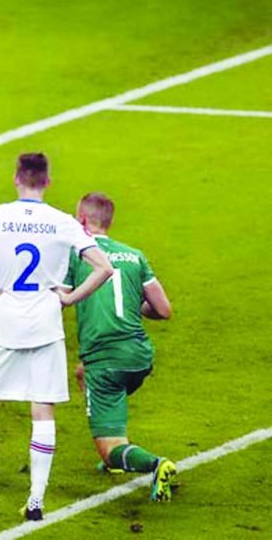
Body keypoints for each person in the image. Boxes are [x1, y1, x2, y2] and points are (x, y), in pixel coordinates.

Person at [0, 153, 113, 522]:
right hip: (46, 325)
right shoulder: (63, 222)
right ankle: (35, 503)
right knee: (42, 409)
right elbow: (104, 267)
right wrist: (68, 297)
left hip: (3, 324)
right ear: (48, 181)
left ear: (16, 178)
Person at [64, 192, 176, 501]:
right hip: (139, 356)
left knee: (110, 448)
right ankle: (119, 448)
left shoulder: (76, 255)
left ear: (83, 221)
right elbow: (163, 310)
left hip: (107, 361)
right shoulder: (134, 255)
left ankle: (153, 464)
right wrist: (133, 303)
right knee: (82, 373)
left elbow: (56, 297)